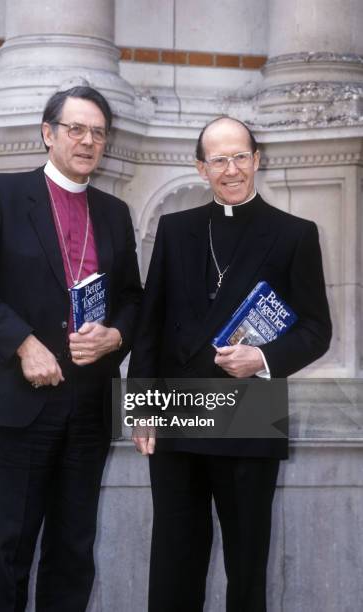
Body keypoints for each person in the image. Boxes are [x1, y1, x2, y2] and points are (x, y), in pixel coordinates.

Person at [0, 86, 142, 612]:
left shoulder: (115, 212)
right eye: (76, 128)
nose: (88, 141)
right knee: (9, 546)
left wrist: (116, 336)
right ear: (48, 133)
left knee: (74, 549)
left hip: (89, 403)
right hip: (19, 399)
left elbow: (131, 300)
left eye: (98, 132)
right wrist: (24, 345)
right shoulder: (1, 194)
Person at [128, 116, 332, 612]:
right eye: (218, 159)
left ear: (257, 159)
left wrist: (262, 358)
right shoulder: (175, 230)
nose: (231, 169)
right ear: (202, 168)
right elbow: (150, 324)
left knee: (246, 569)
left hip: (249, 416)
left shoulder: (295, 235)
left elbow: (316, 330)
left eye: (240, 156)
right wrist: (138, 408)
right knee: (174, 561)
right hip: (177, 411)